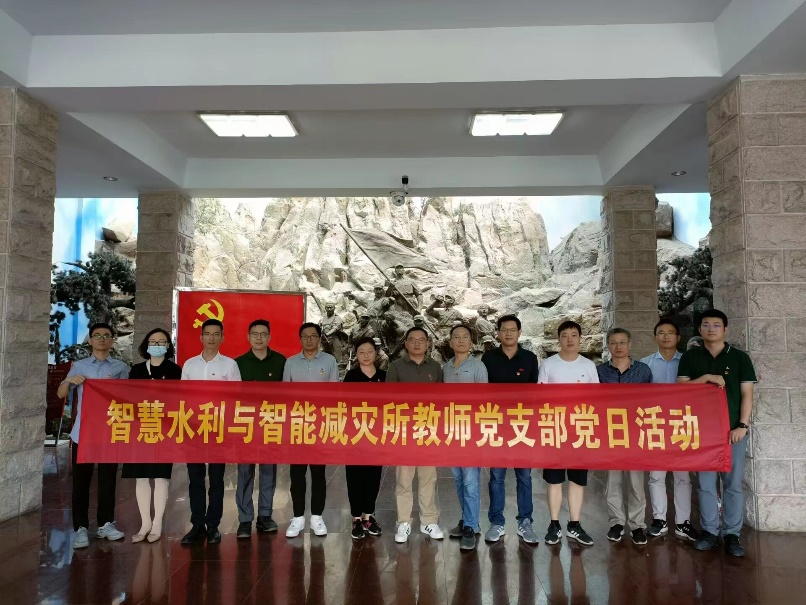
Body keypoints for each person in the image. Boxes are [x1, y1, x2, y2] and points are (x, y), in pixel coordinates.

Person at [677, 309, 757, 557]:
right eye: (706, 325)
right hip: (702, 432)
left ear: (725, 329)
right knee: (705, 484)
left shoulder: (740, 358)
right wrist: (706, 378)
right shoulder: (690, 356)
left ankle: (732, 534)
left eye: (716, 325)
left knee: (732, 484)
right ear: (699, 329)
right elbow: (681, 389)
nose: (711, 329)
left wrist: (742, 426)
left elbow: (747, 395)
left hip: (733, 432)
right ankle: (710, 531)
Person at [57, 322, 129, 549]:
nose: (102, 339)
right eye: (97, 335)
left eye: (106, 335)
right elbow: (60, 394)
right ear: (90, 341)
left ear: (112, 340)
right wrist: (69, 381)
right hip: (84, 433)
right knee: (81, 481)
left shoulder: (120, 367)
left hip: (110, 431)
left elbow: (129, 397)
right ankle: (80, 527)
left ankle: (106, 524)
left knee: (108, 479)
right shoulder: (79, 366)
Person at [180, 318, 241, 545]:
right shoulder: (189, 365)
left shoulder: (230, 365)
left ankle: (213, 525)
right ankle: (197, 525)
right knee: (195, 478)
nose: (211, 338)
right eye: (207, 333)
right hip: (194, 429)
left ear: (222, 338)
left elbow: (236, 397)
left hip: (218, 429)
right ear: (201, 336)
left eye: (216, 334)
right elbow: (182, 397)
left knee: (216, 479)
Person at [480, 314, 540, 545]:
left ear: (519, 332)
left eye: (512, 330)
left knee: (524, 475)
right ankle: (497, 522)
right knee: (497, 476)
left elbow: (535, 393)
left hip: (522, 425)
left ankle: (525, 522)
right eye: (504, 330)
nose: (508, 333)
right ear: (497, 333)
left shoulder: (530, 358)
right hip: (496, 424)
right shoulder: (488, 358)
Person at [538, 320, 599, 547]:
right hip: (554, 428)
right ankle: (554, 525)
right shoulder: (548, 364)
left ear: (580, 338)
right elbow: (540, 397)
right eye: (565, 335)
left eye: (574, 334)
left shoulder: (588, 366)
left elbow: (596, 398)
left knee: (577, 479)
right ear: (559, 339)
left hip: (580, 428)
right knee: (554, 479)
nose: (570, 339)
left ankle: (575, 524)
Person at [122, 329, 182, 544]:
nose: (157, 345)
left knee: (160, 476)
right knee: (141, 477)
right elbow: (129, 397)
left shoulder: (174, 370)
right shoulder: (137, 369)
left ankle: (157, 524)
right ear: (146, 345)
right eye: (153, 341)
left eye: (161, 341)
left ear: (168, 345)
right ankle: (145, 523)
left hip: (164, 429)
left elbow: (179, 399)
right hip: (140, 429)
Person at [640, 320, 697, 542]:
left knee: (682, 476)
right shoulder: (645, 365)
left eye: (671, 333)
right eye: (661, 333)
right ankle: (659, 520)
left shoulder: (688, 362)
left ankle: (683, 523)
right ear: (654, 337)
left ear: (678, 337)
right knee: (656, 475)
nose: (666, 336)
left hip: (682, 423)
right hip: (655, 424)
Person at [387, 326, 445, 543]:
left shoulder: (436, 367)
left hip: (428, 429)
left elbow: (441, 399)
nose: (417, 343)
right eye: (413, 340)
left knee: (428, 478)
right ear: (406, 343)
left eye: (421, 340)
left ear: (428, 343)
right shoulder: (395, 367)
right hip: (404, 430)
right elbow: (388, 400)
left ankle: (429, 520)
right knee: (404, 479)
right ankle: (403, 522)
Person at [596, 328, 653, 546]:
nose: (618, 346)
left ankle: (637, 525)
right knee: (613, 481)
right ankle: (616, 523)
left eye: (622, 342)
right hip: (610, 433)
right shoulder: (600, 371)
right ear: (608, 346)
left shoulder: (643, 371)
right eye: (613, 342)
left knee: (636, 483)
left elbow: (651, 401)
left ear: (630, 344)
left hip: (635, 433)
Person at [283, 322, 339, 538]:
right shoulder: (290, 362)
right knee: (297, 473)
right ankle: (297, 517)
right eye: (305, 336)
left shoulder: (329, 361)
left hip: (320, 425)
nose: (309, 340)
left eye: (313, 336)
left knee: (318, 473)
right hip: (297, 424)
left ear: (319, 338)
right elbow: (285, 394)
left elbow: (334, 393)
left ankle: (317, 516)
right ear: (300, 339)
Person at [235, 319, 286, 539]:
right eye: (254, 334)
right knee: (244, 472)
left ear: (269, 337)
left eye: (263, 334)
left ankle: (265, 515)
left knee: (268, 471)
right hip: (245, 424)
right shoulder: (238, 363)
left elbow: (288, 393)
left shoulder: (281, 361)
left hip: (270, 423)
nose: (259, 338)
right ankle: (245, 519)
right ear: (248, 337)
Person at [442, 324, 488, 551]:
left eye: (465, 337)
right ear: (450, 342)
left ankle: (471, 525)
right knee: (459, 479)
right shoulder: (445, 368)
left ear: (471, 342)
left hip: (471, 431)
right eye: (456, 337)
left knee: (470, 480)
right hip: (451, 431)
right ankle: (467, 519)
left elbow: (484, 400)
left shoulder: (478, 366)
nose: (461, 340)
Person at [343, 336, 386, 540]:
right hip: (355, 435)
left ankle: (369, 516)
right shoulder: (351, 376)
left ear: (376, 353)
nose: (366, 355)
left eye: (370, 351)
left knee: (373, 476)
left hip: (377, 435)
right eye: (361, 352)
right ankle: (356, 518)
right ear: (356, 355)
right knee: (354, 476)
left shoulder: (384, 376)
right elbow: (343, 404)